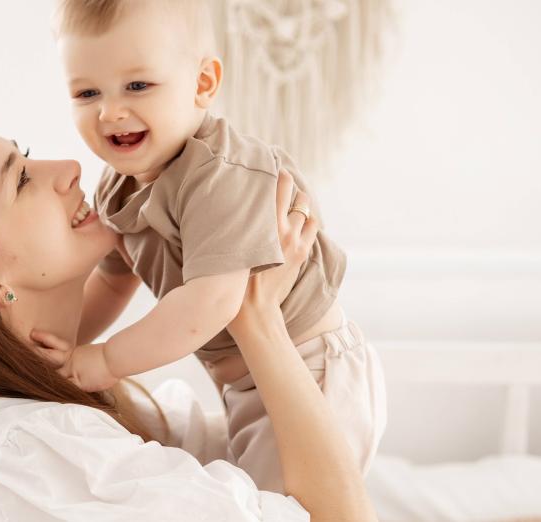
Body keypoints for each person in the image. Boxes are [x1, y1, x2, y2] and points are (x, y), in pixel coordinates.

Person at [0, 114, 378, 520]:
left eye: (28, 155)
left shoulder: (40, 409)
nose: (68, 169)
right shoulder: (28, 455)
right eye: (20, 181)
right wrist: (255, 320)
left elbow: (276, 465)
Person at [52, 0, 387, 491]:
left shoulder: (219, 174)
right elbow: (111, 277)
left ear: (203, 84)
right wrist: (66, 345)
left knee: (283, 511)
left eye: (138, 85)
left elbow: (209, 302)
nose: (111, 111)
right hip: (249, 382)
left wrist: (102, 361)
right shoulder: (117, 186)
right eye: (87, 92)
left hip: (310, 370)